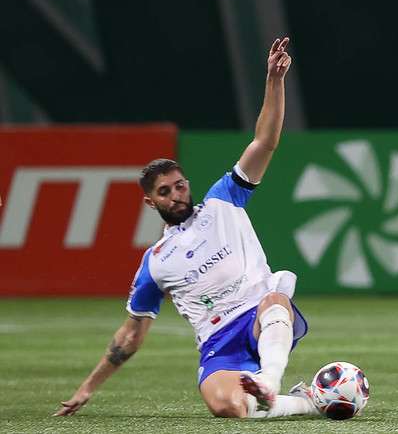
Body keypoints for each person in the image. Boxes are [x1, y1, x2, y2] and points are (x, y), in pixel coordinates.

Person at [55, 37, 319, 419]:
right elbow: (130, 336)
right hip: (218, 343)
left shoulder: (223, 199)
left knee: (275, 300)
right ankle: (308, 402)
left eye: (179, 185)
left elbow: (265, 141)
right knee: (226, 407)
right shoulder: (156, 262)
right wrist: (87, 387)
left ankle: (271, 382)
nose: (177, 194)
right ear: (151, 202)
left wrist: (274, 80)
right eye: (165, 191)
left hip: (260, 318)